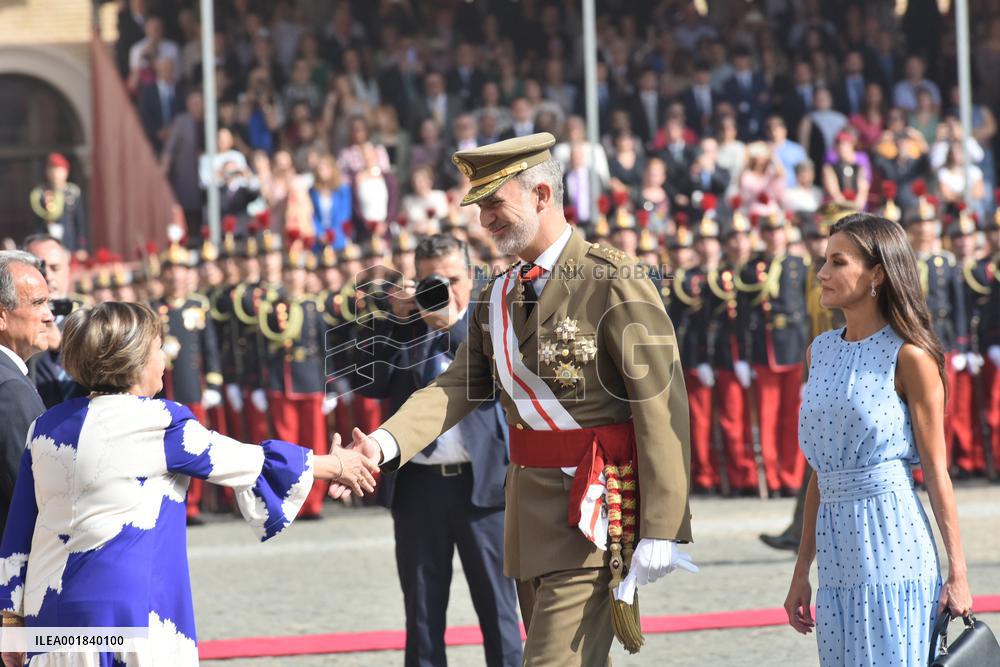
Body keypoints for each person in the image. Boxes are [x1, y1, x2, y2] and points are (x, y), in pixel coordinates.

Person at [332, 133, 696, 664]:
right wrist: (383, 444)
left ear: (542, 195)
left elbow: (660, 405)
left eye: (495, 204)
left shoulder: (611, 280)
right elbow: (455, 387)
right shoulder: (496, 294)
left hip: (591, 513)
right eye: (480, 207)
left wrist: (663, 523)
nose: (485, 220)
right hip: (526, 520)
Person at [0, 302, 375, 666]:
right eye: (157, 348)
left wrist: (11, 626)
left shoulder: (44, 427)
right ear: (134, 359)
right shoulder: (161, 421)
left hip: (49, 619)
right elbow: (248, 461)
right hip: (130, 616)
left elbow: (18, 533)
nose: (163, 358)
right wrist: (336, 464)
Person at [784, 213, 972, 665]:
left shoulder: (911, 356)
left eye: (838, 262)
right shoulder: (819, 351)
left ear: (877, 275)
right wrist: (801, 570)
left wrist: (958, 572)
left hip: (893, 544)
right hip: (835, 558)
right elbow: (821, 473)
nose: (822, 273)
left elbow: (936, 471)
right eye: (824, 260)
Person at [355, 234, 522, 667]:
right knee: (423, 614)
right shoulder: (405, 330)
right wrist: (394, 319)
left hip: (482, 486)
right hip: (418, 487)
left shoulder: (490, 321)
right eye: (432, 281)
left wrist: (452, 323)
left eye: (452, 280)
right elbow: (368, 383)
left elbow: (497, 383)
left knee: (499, 609)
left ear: (471, 277)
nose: (444, 290)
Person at [0, 251, 51, 540]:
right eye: (37, 303)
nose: (49, 316)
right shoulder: (10, 389)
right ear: (2, 316)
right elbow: (33, 493)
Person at [28, 153, 88, 253]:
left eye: (58, 170)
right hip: (47, 243)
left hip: (69, 243)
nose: (55, 174)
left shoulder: (72, 193)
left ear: (66, 172)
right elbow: (37, 223)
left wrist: (81, 247)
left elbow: (79, 222)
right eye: (52, 170)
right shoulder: (40, 193)